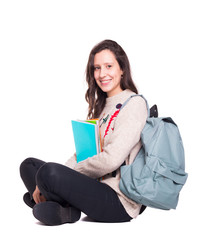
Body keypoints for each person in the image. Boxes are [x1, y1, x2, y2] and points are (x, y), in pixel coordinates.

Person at [20, 39, 147, 225]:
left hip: (117, 200)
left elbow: (112, 159)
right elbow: (82, 154)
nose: (102, 73)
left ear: (122, 69)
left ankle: (52, 203)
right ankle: (66, 210)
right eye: (96, 68)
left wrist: (60, 176)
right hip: (93, 186)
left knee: (48, 173)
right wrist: (60, 174)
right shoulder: (101, 107)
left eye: (108, 66)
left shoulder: (134, 104)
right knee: (29, 166)